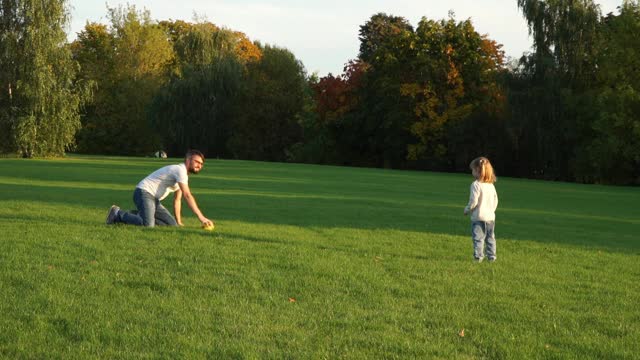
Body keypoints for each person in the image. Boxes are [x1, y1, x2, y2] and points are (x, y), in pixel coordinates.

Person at [106, 149, 214, 228]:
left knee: (172, 226)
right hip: (144, 192)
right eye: (197, 162)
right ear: (188, 159)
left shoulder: (184, 176)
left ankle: (138, 214)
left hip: (153, 199)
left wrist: (178, 221)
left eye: (201, 164)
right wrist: (201, 217)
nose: (199, 165)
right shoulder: (180, 170)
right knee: (148, 225)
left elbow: (177, 200)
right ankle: (118, 214)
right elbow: (187, 195)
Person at [463, 157, 498, 263]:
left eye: (473, 170)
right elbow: (495, 201)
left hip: (478, 217)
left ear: (478, 171)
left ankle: (478, 257)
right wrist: (491, 210)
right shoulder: (491, 186)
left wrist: (467, 209)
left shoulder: (475, 185)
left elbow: (473, 201)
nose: (472, 172)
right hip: (490, 217)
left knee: (478, 237)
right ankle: (491, 257)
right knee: (490, 237)